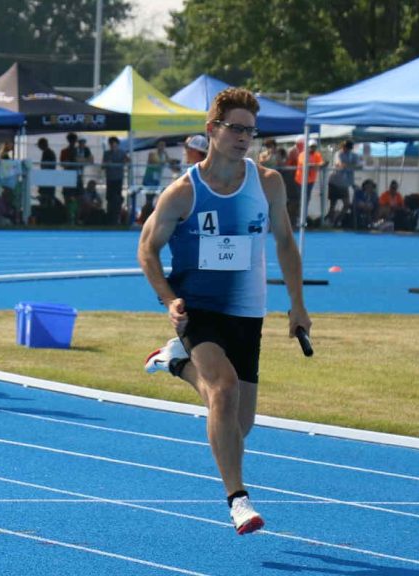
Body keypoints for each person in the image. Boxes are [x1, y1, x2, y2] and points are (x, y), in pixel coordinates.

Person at [137, 87, 311, 535]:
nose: (244, 137)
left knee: (240, 423)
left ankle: (175, 361)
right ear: (211, 130)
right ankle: (238, 499)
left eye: (250, 130)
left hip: (247, 311)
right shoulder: (182, 193)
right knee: (225, 388)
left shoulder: (268, 184)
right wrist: (168, 298)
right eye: (235, 128)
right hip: (199, 308)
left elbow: (287, 244)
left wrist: (298, 306)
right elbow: (147, 250)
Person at [325, 140, 360, 227]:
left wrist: (352, 183)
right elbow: (341, 164)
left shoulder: (354, 155)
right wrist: (350, 165)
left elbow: (358, 166)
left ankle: (338, 220)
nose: (345, 149)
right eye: (344, 147)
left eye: (347, 147)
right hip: (334, 182)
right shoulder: (338, 154)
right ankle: (329, 221)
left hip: (344, 184)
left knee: (347, 204)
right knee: (333, 204)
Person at [294, 139, 325, 222]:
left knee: (307, 199)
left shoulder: (317, 155)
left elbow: (322, 163)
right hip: (300, 181)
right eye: (311, 147)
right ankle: (298, 217)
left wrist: (315, 165)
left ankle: (303, 218)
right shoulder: (302, 154)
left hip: (310, 181)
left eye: (314, 147)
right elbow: (305, 165)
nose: (313, 148)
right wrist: (315, 165)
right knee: (300, 199)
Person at [101, 136, 128, 225]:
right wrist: (106, 164)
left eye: (114, 144)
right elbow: (103, 166)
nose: (113, 146)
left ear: (117, 144)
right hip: (110, 179)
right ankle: (109, 219)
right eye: (111, 144)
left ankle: (117, 218)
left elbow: (127, 161)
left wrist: (125, 161)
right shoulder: (106, 153)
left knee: (118, 199)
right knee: (109, 199)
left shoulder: (122, 153)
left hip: (118, 179)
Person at [36, 137, 57, 206]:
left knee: (47, 197)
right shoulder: (47, 152)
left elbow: (47, 166)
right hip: (47, 179)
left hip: (48, 179)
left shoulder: (48, 153)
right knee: (46, 197)